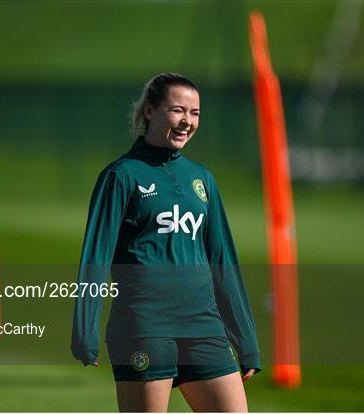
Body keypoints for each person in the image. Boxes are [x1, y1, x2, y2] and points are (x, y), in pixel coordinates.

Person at [71, 73, 260, 412]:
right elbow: (95, 258)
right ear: (149, 111)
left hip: (204, 328)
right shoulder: (121, 176)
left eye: (195, 113)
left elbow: (223, 262)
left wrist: (245, 340)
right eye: (177, 110)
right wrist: (85, 332)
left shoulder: (202, 179)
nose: (187, 121)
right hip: (145, 327)